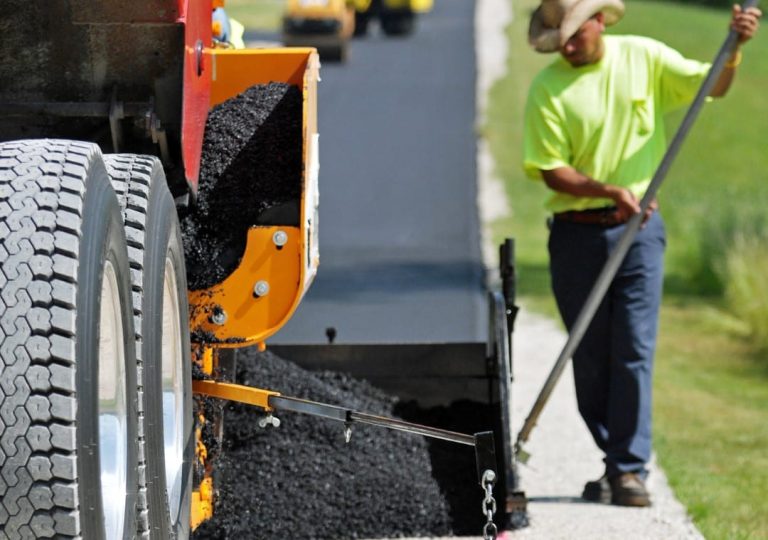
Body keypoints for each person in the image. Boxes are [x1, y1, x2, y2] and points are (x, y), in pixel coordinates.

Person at [522, 0, 761, 507]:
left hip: (639, 234)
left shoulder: (644, 57)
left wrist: (735, 47)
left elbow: (710, 85)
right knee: (587, 355)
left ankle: (629, 470)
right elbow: (549, 168)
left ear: (600, 20)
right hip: (575, 235)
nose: (566, 46)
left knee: (632, 350)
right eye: (558, 40)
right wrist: (608, 190)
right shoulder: (548, 88)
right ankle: (615, 460)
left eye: (573, 34)